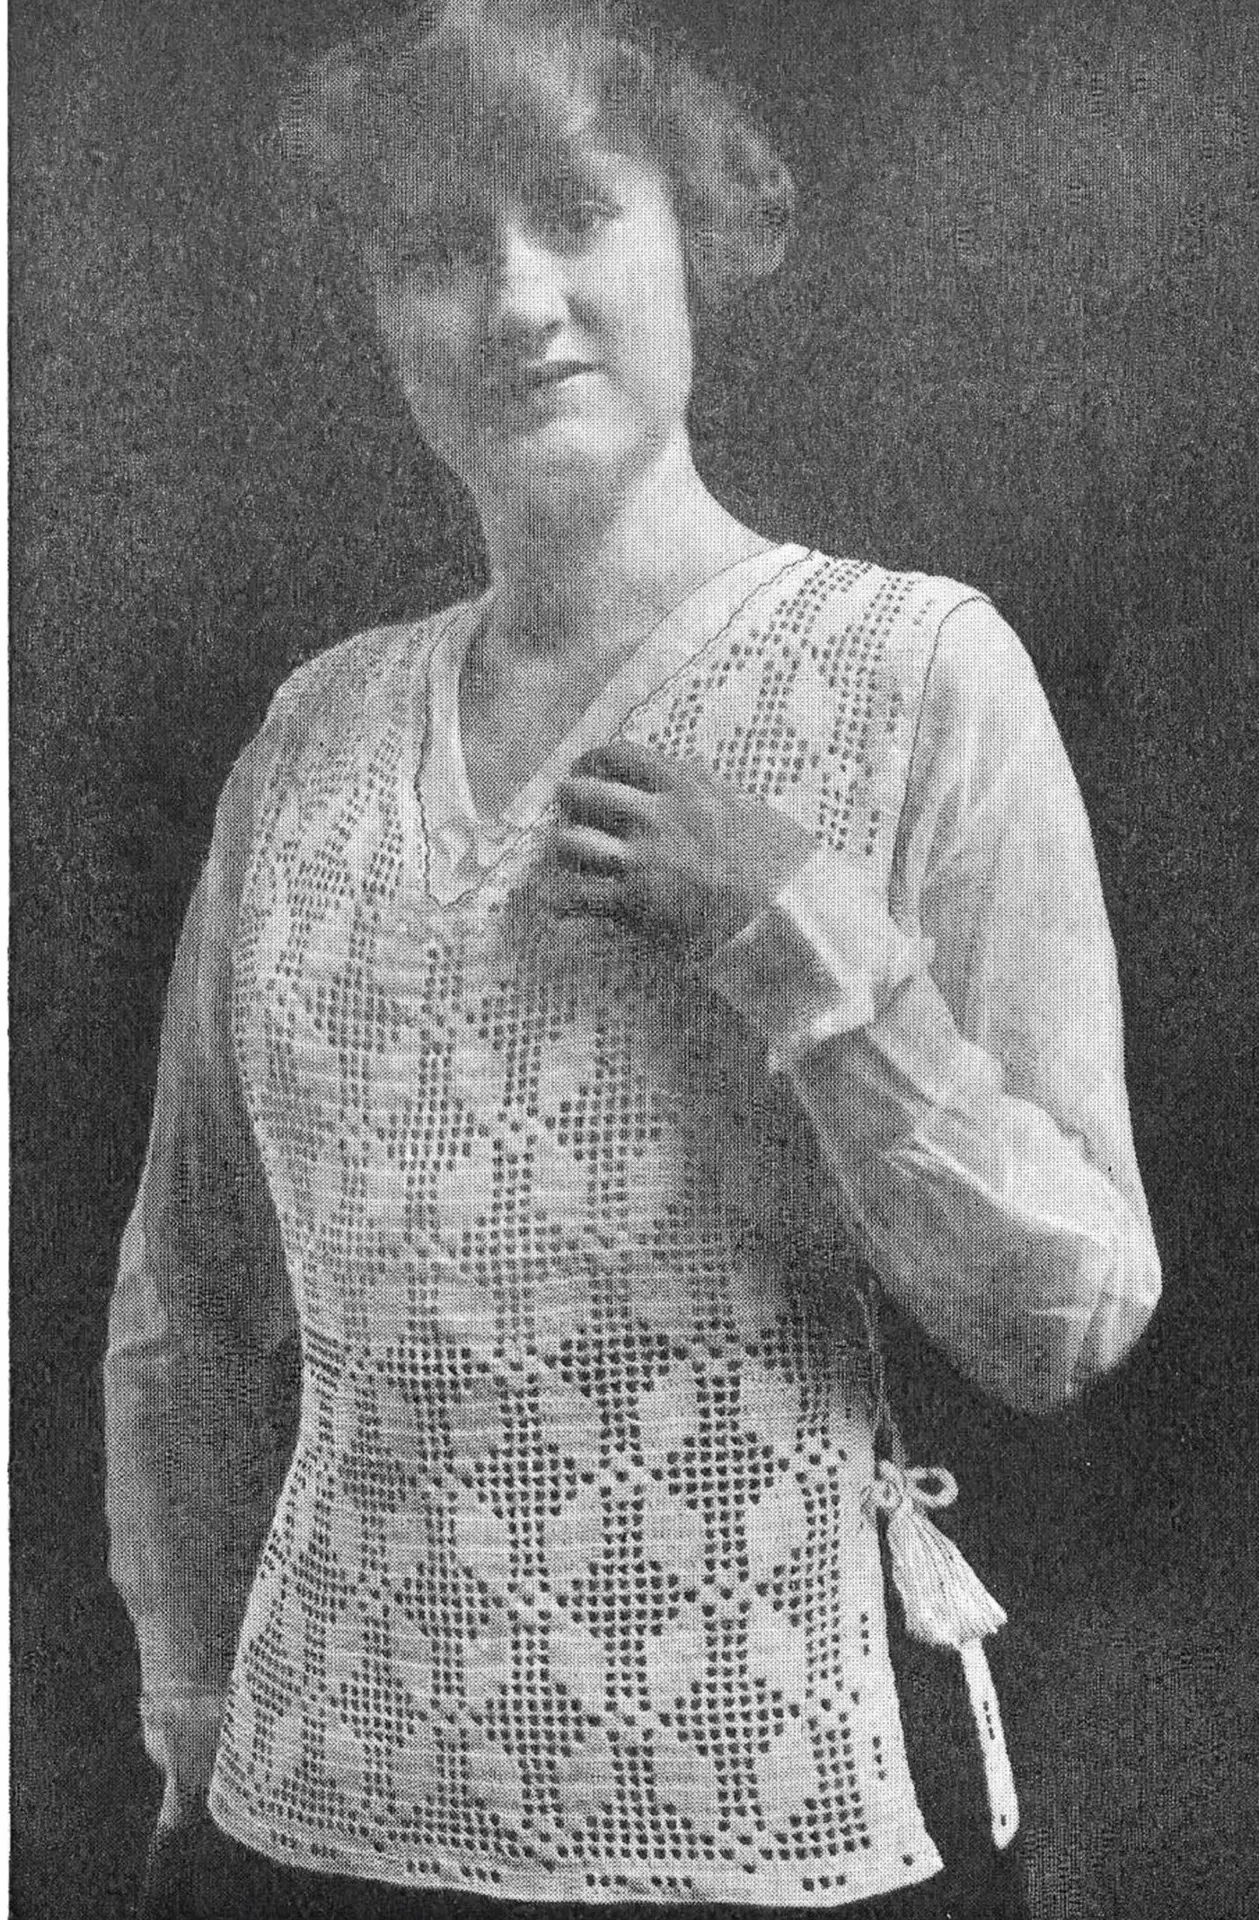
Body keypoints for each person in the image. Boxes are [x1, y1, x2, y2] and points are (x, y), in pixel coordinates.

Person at [103, 4, 1162, 1917]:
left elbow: (1066, 1316)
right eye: (440, 250)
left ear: (698, 234)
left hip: (771, 1796)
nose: (520, 303)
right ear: (381, 316)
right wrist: (187, 1694)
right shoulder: (313, 737)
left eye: (576, 213)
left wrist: (803, 937)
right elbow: (188, 1294)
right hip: (315, 1811)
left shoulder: (915, 674)